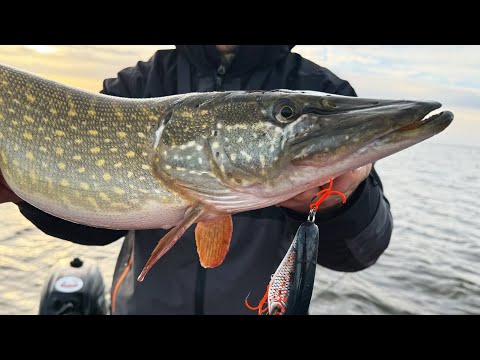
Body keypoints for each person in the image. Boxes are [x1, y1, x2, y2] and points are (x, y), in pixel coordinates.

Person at [0, 45, 393, 314]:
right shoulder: (140, 85)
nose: (289, 117)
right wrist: (20, 193)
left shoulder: (321, 90)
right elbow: (94, 222)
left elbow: (362, 251)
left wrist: (346, 204)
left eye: (284, 114)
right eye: (286, 115)